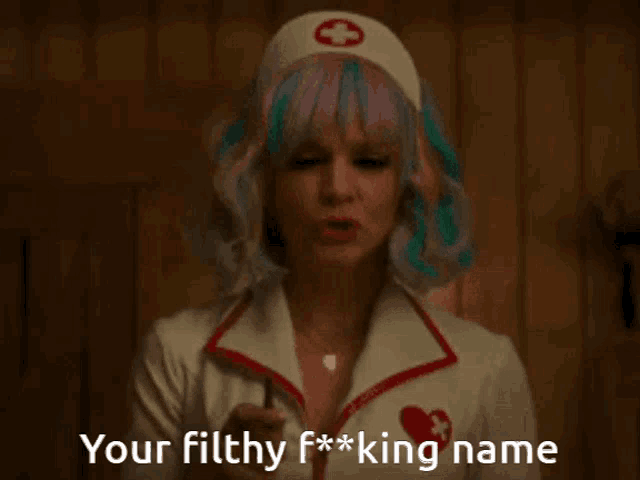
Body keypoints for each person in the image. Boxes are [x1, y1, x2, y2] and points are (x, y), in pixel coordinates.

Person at [122, 10, 540, 480]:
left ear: (409, 182)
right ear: (261, 183)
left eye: (370, 161)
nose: (338, 189)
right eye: (306, 160)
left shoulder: (485, 370)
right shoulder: (179, 356)